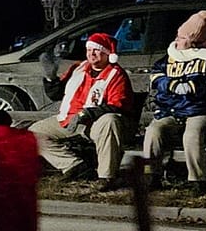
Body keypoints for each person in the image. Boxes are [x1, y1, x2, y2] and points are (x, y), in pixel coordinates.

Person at [144, 10, 206, 192]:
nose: (176, 41)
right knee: (153, 131)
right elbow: (156, 78)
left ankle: (197, 179)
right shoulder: (168, 59)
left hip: (203, 111)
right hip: (172, 111)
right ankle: (151, 175)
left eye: (181, 37)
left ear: (192, 41)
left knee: (192, 133)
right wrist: (173, 86)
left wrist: (191, 87)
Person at [31, 33, 135, 189]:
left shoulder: (116, 74)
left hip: (95, 123)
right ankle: (75, 166)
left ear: (107, 54)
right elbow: (56, 94)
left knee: (110, 121)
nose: (91, 54)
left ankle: (107, 176)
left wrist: (86, 114)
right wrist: (50, 78)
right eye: (89, 50)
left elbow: (117, 105)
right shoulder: (79, 68)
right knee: (33, 133)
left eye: (97, 50)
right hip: (69, 119)